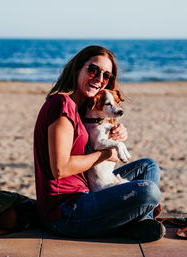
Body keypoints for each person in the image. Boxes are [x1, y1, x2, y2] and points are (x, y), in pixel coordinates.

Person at [33, 45, 165, 242]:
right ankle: (134, 221)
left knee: (148, 166)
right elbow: (60, 169)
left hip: (87, 189)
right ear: (78, 68)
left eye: (107, 76)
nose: (99, 79)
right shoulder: (62, 105)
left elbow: (97, 132)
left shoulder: (82, 107)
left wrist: (117, 132)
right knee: (149, 191)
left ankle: (139, 223)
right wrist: (106, 154)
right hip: (65, 210)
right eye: (93, 70)